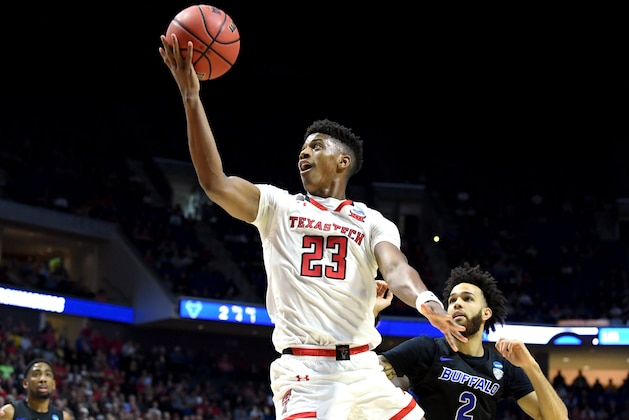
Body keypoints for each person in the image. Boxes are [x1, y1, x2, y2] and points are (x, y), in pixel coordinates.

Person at [158, 33, 467, 419]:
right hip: (307, 373)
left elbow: (397, 268)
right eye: (303, 147)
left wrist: (426, 302)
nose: (304, 151)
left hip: (364, 367)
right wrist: (191, 97)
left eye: (317, 145)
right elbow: (214, 182)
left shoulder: (372, 221)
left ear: (343, 162)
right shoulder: (278, 206)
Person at [376, 262, 569, 419]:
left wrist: (531, 365)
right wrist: (372, 314)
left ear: (486, 313)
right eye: (452, 301)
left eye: (467, 299)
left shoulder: (504, 368)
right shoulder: (427, 348)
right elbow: (367, 371)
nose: (457, 303)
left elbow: (557, 418)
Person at [0, 358, 72, 419]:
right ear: (25, 383)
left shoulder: (63, 417)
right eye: (36, 374)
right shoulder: (9, 412)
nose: (43, 379)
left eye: (48, 375)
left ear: (53, 384)